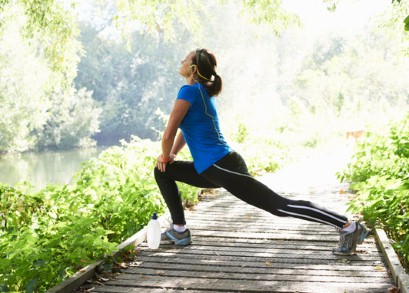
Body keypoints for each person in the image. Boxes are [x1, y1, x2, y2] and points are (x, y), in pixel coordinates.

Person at [154, 48, 369, 255]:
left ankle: (348, 226)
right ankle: (179, 230)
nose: (181, 60)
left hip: (221, 166)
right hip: (212, 168)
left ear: (192, 69)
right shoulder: (200, 93)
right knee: (163, 171)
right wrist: (171, 154)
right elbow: (186, 128)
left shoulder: (188, 91)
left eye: (186, 59)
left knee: (279, 206)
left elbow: (168, 133)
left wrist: (164, 155)